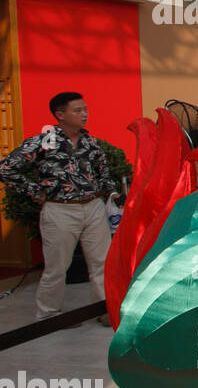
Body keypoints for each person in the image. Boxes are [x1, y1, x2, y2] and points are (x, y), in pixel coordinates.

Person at [0, 92, 119, 322]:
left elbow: (103, 174)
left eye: (85, 109)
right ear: (60, 115)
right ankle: (49, 315)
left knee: (102, 263)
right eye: (78, 110)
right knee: (57, 267)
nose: (84, 114)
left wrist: (111, 192)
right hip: (60, 210)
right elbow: (6, 168)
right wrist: (35, 192)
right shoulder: (45, 141)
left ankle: (103, 310)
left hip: (92, 207)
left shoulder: (91, 143)